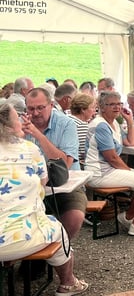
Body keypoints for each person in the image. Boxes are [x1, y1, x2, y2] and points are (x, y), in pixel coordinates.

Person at [0, 103, 89, 295]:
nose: (26, 118)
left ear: (50, 105)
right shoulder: (28, 149)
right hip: (17, 238)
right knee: (59, 230)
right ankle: (68, 283)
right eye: (18, 118)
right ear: (9, 127)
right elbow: (43, 181)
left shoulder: (65, 124)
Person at [84, 91, 134, 236]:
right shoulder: (101, 125)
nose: (117, 107)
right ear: (102, 107)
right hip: (99, 173)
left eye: (119, 104)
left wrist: (130, 121)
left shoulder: (114, 123)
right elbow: (112, 158)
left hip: (109, 170)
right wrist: (129, 171)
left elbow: (131, 142)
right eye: (112, 104)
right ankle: (128, 217)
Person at [22, 87, 87, 240]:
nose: (35, 113)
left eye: (40, 108)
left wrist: (37, 134)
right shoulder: (19, 125)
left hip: (64, 184)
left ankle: (58, 248)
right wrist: (19, 135)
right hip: (30, 185)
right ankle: (29, 249)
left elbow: (65, 164)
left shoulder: (67, 124)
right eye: (31, 109)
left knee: (75, 216)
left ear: (51, 105)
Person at [69, 93, 98, 166]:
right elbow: (86, 152)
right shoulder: (82, 126)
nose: (94, 111)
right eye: (92, 107)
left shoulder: (67, 119)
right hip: (78, 165)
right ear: (83, 110)